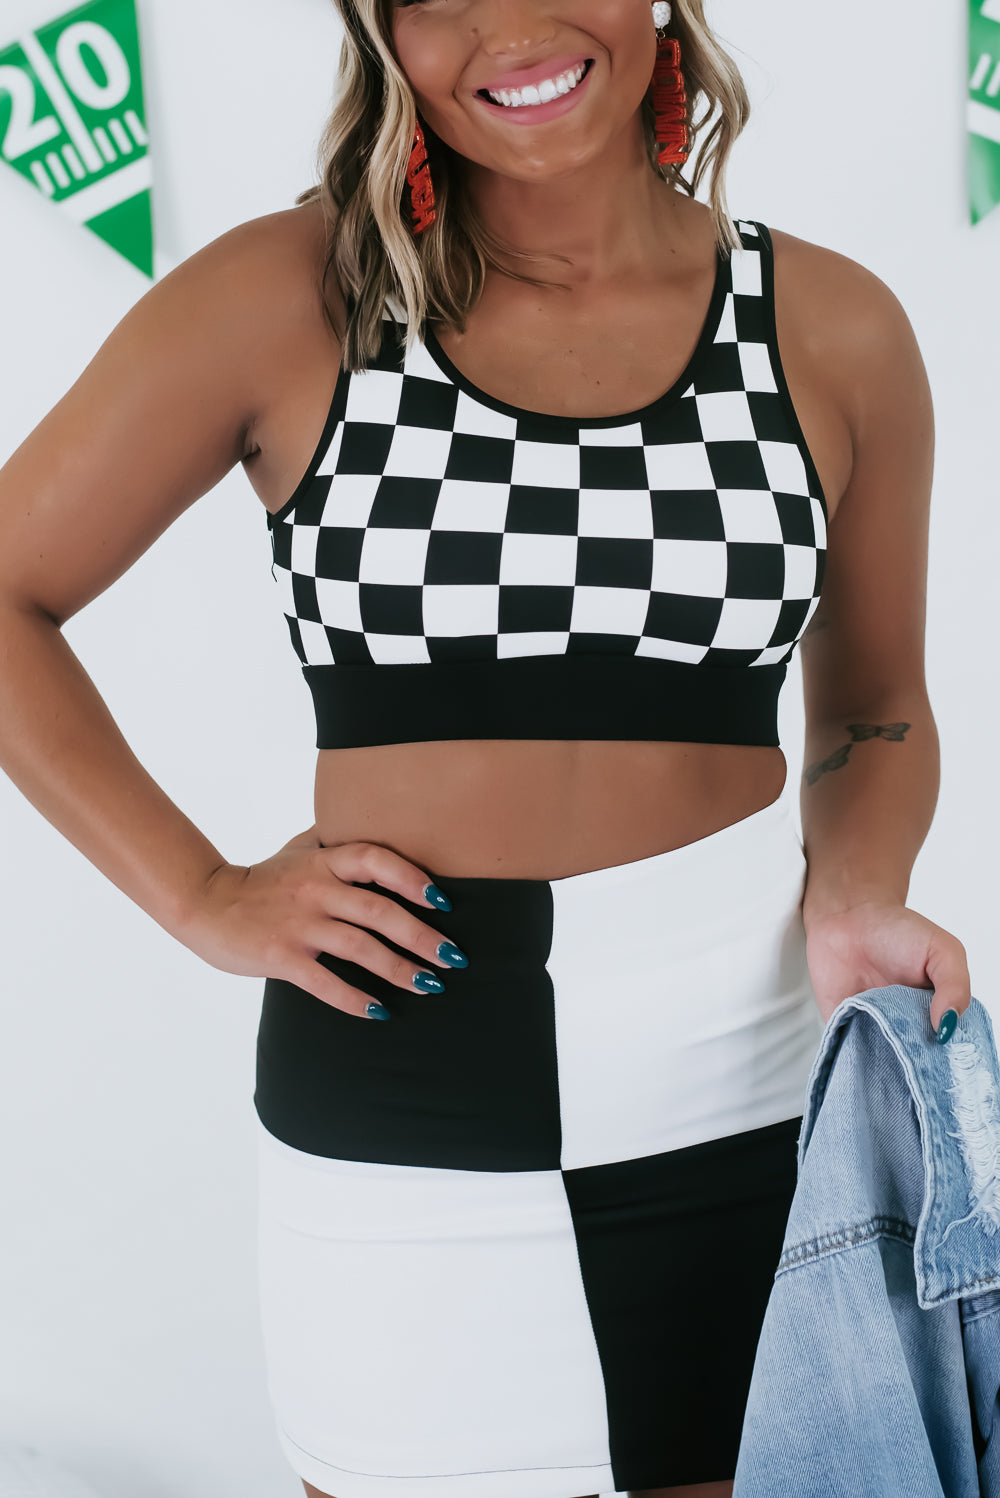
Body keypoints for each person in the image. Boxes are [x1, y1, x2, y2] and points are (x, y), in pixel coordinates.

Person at [0, 0, 975, 1492]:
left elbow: (875, 700)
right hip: (409, 1098)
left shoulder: (834, 326)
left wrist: (857, 889)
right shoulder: (290, 295)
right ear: (382, 31)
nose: (509, 26)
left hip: (747, 1087)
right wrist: (200, 894)